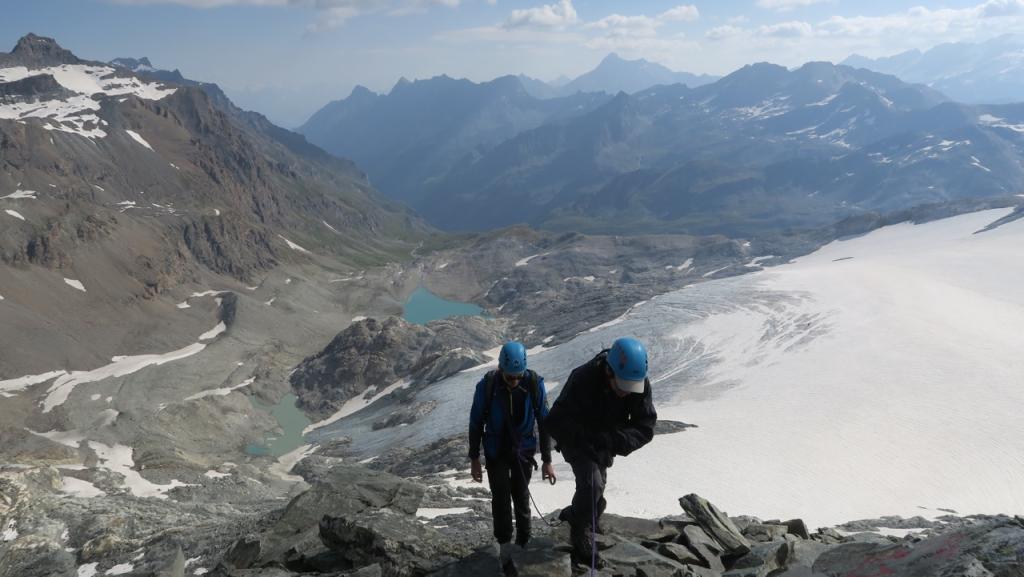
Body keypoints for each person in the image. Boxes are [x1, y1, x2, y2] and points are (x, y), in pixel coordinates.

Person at [545, 337, 657, 567]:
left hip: (606, 441)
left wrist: (612, 440)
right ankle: (581, 532)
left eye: (631, 386)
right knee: (592, 483)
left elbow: (644, 427)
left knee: (597, 487)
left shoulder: (638, 383)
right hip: (577, 439)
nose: (626, 392)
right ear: (608, 371)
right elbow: (555, 420)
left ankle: (579, 515)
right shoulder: (583, 378)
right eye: (621, 385)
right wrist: (585, 439)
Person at [468, 341, 556, 560]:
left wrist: (547, 459)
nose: (515, 382)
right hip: (496, 449)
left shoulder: (534, 383)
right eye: (510, 377)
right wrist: (474, 458)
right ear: (501, 369)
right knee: (500, 497)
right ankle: (504, 546)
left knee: (521, 495)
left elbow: (545, 422)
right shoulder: (487, 386)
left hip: (522, 450)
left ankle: (524, 543)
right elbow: (476, 422)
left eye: (518, 376)